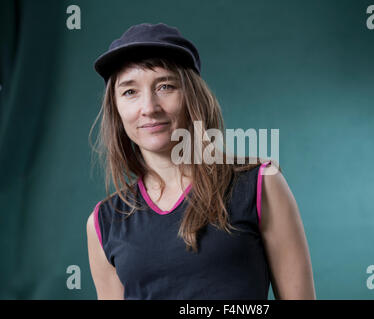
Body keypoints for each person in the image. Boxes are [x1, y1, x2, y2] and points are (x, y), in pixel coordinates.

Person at [86, 22, 316, 300]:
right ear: (116, 109)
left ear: (193, 97)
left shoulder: (260, 184)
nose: (148, 108)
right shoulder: (104, 221)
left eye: (165, 86)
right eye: (129, 92)